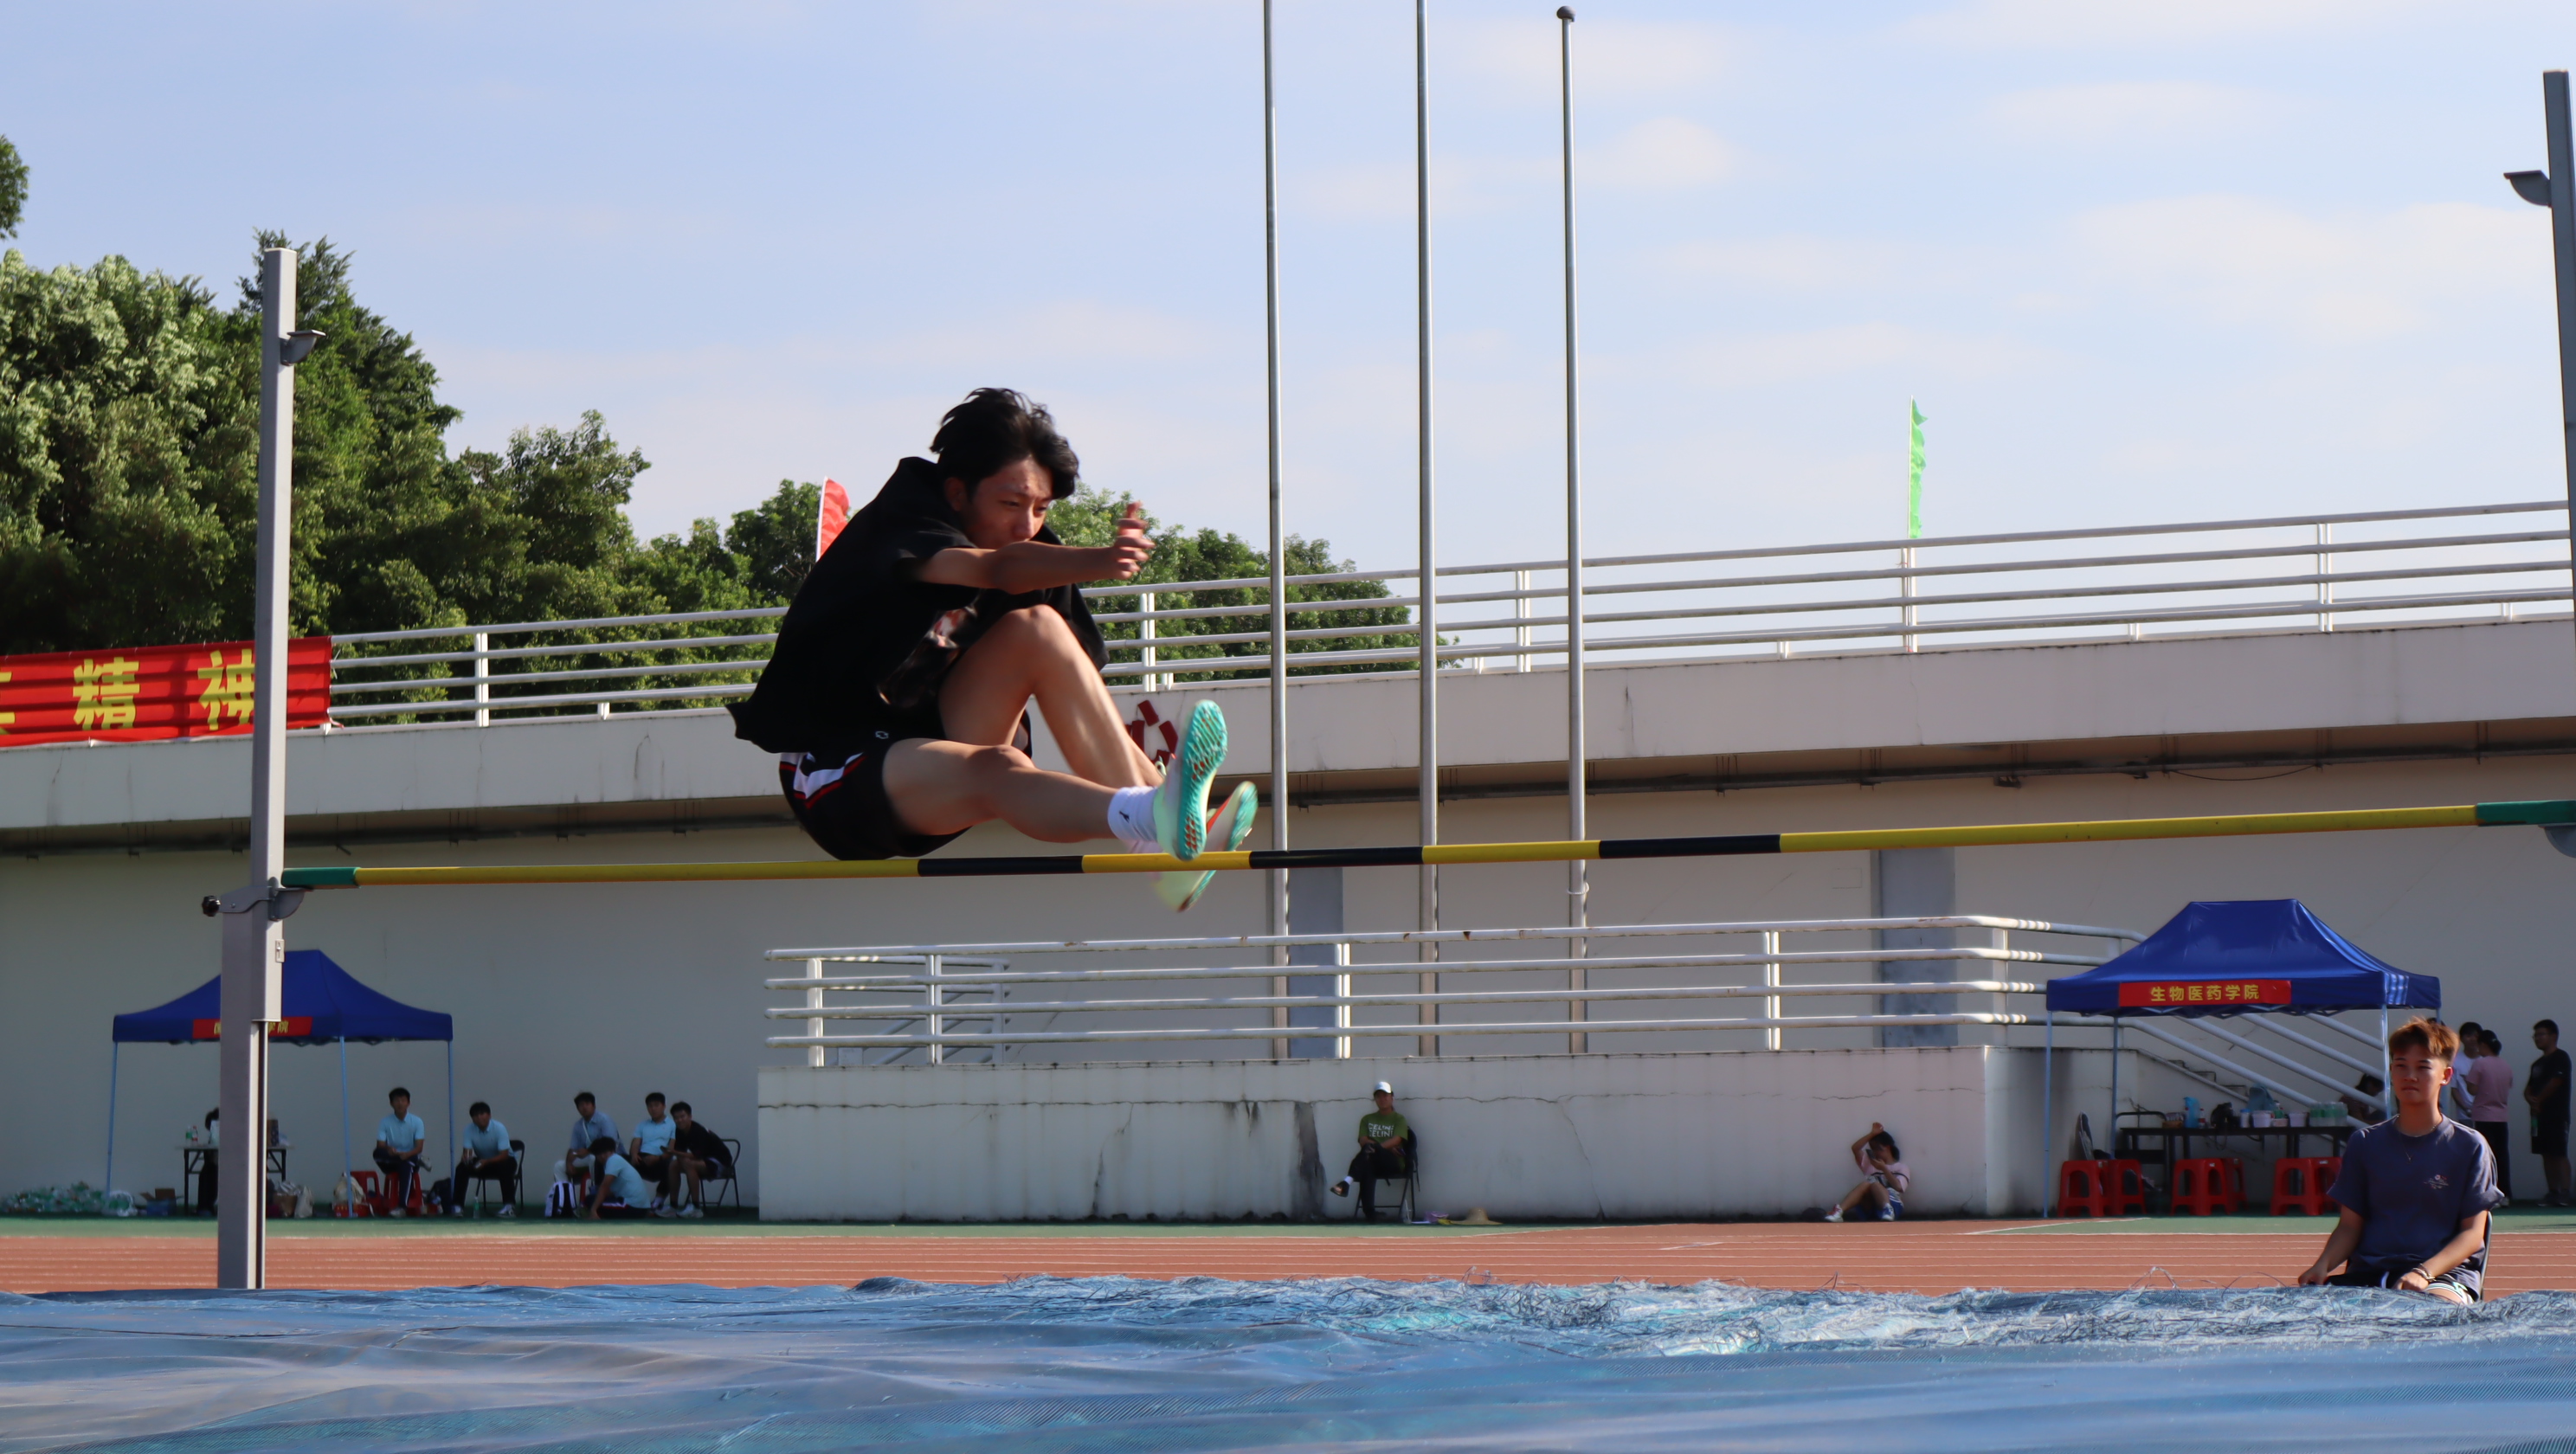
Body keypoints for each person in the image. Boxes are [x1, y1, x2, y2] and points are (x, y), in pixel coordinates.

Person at [724, 388, 1255, 913]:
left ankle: (1165, 842)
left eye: (1041, 508)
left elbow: (1085, 708)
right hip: (842, 769)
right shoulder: (908, 518)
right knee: (999, 764)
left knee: (1040, 629)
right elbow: (997, 570)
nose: (1027, 526)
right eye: (1010, 504)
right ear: (957, 493)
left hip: (942, 738)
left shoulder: (1037, 556)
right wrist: (1104, 558)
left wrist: (1161, 781)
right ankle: (1150, 821)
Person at [2297, 1018, 2503, 1303]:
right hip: (2369, 1274)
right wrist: (2322, 1265)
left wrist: (2423, 1272)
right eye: (2401, 1065)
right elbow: (2350, 1227)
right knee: (2312, 1313)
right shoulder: (2364, 1143)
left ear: (2446, 1075)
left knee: (2433, 1313)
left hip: (2442, 1277)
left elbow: (2472, 1234)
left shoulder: (2469, 1145)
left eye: (2423, 1067)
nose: (2410, 1076)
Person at [1327, 1082, 1413, 1221]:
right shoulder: (1367, 1119)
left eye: (1385, 1095)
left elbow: (1396, 1140)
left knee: (1368, 1151)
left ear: (1392, 1098)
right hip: (1372, 1162)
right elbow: (1363, 1141)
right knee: (1367, 1166)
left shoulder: (1399, 1119)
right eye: (1379, 1096)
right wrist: (1381, 1147)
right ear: (1375, 1099)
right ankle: (1370, 1214)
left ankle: (1346, 1183)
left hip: (1392, 1163)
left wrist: (1378, 1147)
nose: (1382, 1099)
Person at [1819, 1123, 1910, 1223]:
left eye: (1877, 1148)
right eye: (1872, 1149)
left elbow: (1899, 1187)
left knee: (1875, 1184)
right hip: (1870, 1205)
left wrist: (1884, 1169)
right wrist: (1872, 1134)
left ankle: (1887, 1209)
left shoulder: (1901, 1167)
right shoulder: (1870, 1165)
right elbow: (1855, 1149)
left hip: (1893, 1203)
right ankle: (1839, 1212)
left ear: (1887, 1147)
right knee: (1866, 1184)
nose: (1875, 1152)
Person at [2466, 1029, 2515, 1203]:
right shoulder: (2505, 1065)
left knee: (2485, 1157)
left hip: (2484, 1116)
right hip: (2501, 1116)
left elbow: (2472, 1089)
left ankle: (2487, 1194)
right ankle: (2505, 1194)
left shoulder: (2480, 1063)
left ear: (2483, 1045)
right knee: (2502, 1156)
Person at [659, 1102, 731, 1218]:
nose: (680, 1120)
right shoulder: (678, 1131)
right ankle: (673, 1206)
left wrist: (674, 1153)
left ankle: (696, 1208)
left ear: (690, 1117)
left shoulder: (698, 1131)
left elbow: (696, 1155)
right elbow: (680, 1153)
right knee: (673, 1165)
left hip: (721, 1164)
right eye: (676, 1118)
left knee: (689, 1164)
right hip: (703, 1161)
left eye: (682, 1116)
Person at [442, 1102, 517, 1217]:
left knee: (505, 1167)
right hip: (483, 1162)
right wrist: (466, 1158)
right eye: (475, 1115)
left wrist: (486, 1161)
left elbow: (504, 1155)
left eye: (482, 1114)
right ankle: (457, 1206)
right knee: (462, 1168)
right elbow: (467, 1151)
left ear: (489, 1115)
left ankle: (509, 1207)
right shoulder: (468, 1129)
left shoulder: (499, 1128)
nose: (479, 1117)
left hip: (503, 1161)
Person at [2529, 1020, 2572, 1207]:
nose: (2537, 1038)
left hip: (2557, 1115)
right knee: (2545, 1153)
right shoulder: (2537, 1064)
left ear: (2553, 1036)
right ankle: (2553, 1192)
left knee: (2559, 1153)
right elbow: (2529, 1088)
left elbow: (2556, 1081)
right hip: (2539, 1117)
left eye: (2541, 1034)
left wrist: (2538, 1100)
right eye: (2535, 1035)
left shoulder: (2561, 1057)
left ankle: (2565, 1192)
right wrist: (2531, 1099)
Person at [373, 1087, 429, 1215]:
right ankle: (417, 1160)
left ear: (408, 1103)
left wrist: (407, 1155)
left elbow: (419, 1147)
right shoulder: (385, 1122)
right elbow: (380, 1145)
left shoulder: (417, 1122)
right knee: (377, 1153)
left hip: (410, 1158)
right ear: (391, 1103)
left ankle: (402, 1207)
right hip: (391, 1160)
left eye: (403, 1100)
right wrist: (389, 1149)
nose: (400, 1104)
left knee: (407, 1164)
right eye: (397, 1101)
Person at [579, 1136, 656, 1220]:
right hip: (640, 1208)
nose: (601, 1157)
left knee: (590, 1200)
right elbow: (609, 1191)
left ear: (601, 1155)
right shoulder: (616, 1160)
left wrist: (593, 1210)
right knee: (594, 1198)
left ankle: (595, 1215)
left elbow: (604, 1187)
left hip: (632, 1207)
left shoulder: (613, 1160)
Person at [565, 1091, 617, 1202]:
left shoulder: (604, 1120)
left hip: (608, 1157)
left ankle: (595, 1193)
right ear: (577, 1108)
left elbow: (610, 1144)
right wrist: (568, 1163)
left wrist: (588, 1151)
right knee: (559, 1166)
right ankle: (566, 1201)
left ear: (594, 1105)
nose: (584, 1107)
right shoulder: (578, 1125)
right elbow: (573, 1149)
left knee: (594, 1158)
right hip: (587, 1158)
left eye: (587, 1104)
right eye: (581, 1105)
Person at [630, 1093, 677, 1197]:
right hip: (641, 1158)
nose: (653, 1109)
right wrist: (634, 1155)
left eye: (656, 1105)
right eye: (650, 1106)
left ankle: (658, 1200)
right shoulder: (642, 1124)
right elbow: (636, 1142)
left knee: (672, 1167)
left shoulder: (673, 1125)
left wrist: (658, 1158)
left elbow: (671, 1149)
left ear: (664, 1106)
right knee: (614, 1160)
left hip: (660, 1159)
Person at [2450, 1023, 2485, 1122]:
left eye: (2476, 1036)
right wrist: (2465, 1108)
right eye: (2469, 1036)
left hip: (2485, 1114)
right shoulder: (2455, 1060)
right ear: (2461, 1039)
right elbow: (2454, 1089)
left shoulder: (2485, 1060)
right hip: (2464, 1115)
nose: (2473, 1039)